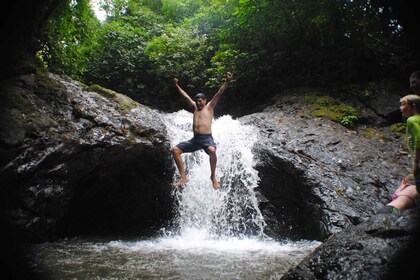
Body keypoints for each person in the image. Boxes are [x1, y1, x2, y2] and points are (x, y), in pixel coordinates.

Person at [171, 72, 233, 190]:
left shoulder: (210, 107)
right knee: (175, 150)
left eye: (201, 101)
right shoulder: (195, 107)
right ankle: (183, 177)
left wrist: (227, 81)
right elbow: (186, 97)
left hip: (206, 139)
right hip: (195, 140)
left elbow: (218, 93)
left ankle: (213, 177)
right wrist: (176, 86)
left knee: (212, 150)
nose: (199, 103)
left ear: (205, 101)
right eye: (197, 101)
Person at [400, 94, 420, 194]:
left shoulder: (411, 120)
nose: (401, 108)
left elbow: (419, 138)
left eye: (404, 105)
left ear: (413, 106)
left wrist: (416, 163)